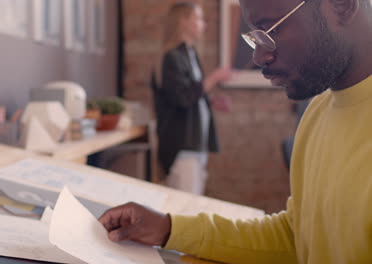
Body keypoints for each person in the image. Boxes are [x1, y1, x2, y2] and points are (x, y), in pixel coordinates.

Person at [100, 0, 372, 263]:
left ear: (342, 4)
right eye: (256, 37)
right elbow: (296, 239)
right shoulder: (317, 112)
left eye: (272, 30)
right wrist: (168, 228)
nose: (258, 56)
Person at [151, 2, 232, 194]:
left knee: (193, 202)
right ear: (183, 22)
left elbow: (191, 93)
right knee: (185, 206)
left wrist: (210, 100)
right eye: (198, 18)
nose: (203, 24)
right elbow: (180, 97)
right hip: (181, 146)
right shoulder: (172, 57)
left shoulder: (190, 53)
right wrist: (213, 78)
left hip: (195, 143)